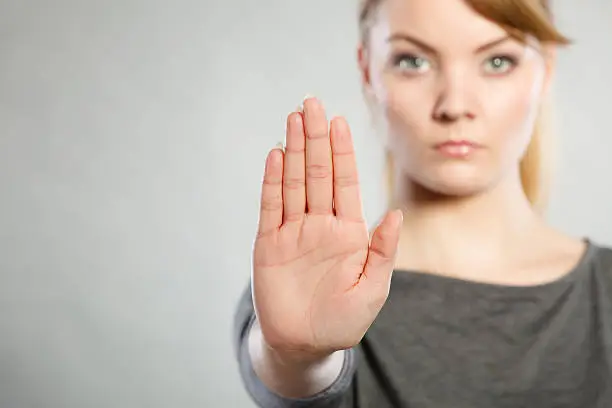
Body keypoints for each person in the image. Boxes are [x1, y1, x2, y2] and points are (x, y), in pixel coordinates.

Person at [233, 0, 612, 406]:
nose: (454, 105)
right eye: (413, 61)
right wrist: (298, 356)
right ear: (367, 71)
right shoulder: (314, 289)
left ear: (546, 70)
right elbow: (294, 374)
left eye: (498, 61)